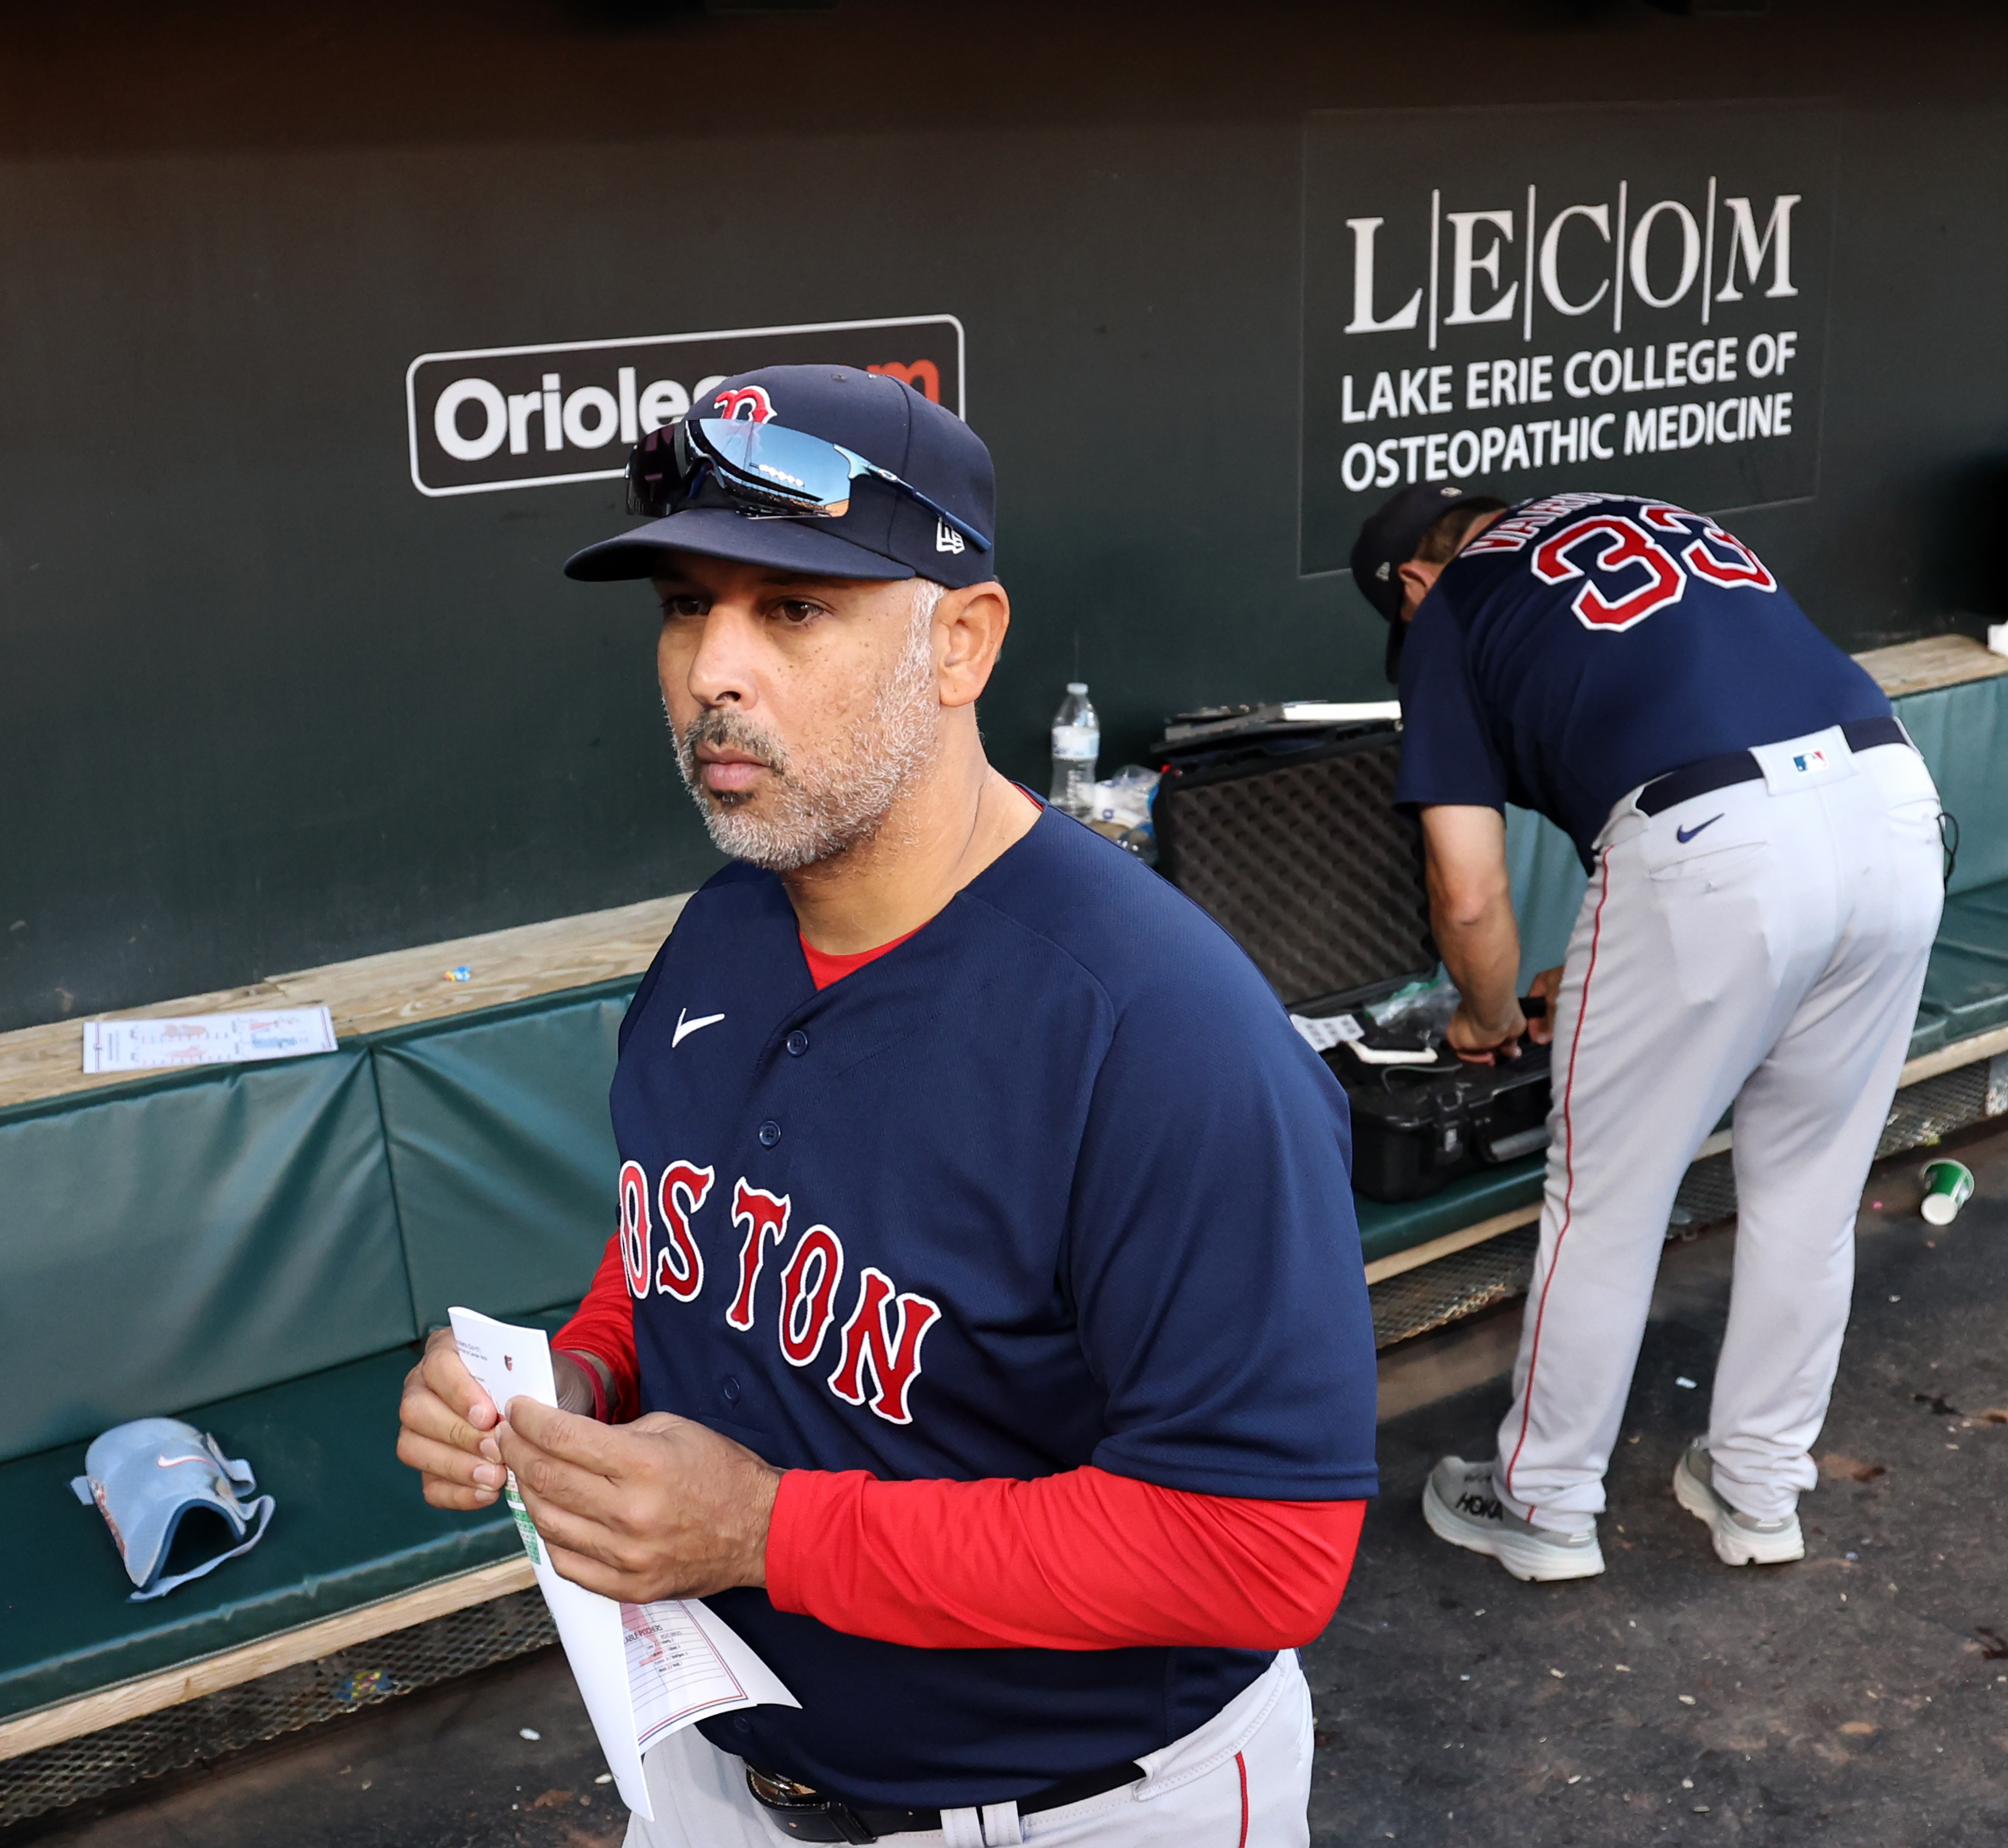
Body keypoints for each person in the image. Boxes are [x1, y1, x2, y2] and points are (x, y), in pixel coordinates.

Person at [395, 365, 1377, 1846]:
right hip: (714, 1765)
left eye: (793, 608)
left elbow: (1262, 1548)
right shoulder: (724, 927)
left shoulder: (1160, 1031)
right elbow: (687, 1224)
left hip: (1079, 1807)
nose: (715, 667)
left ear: (961, 643)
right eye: (684, 606)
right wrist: (574, 1381)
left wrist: (762, 1531)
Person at [1350, 481, 1944, 1583]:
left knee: (1605, 1202)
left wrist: (1485, 1019)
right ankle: (1760, 1489)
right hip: (1895, 808)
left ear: (1412, 586)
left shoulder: (1451, 608)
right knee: (1811, 1195)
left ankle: (1543, 1501)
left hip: (1709, 845)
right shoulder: (1641, 510)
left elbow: (1470, 896)